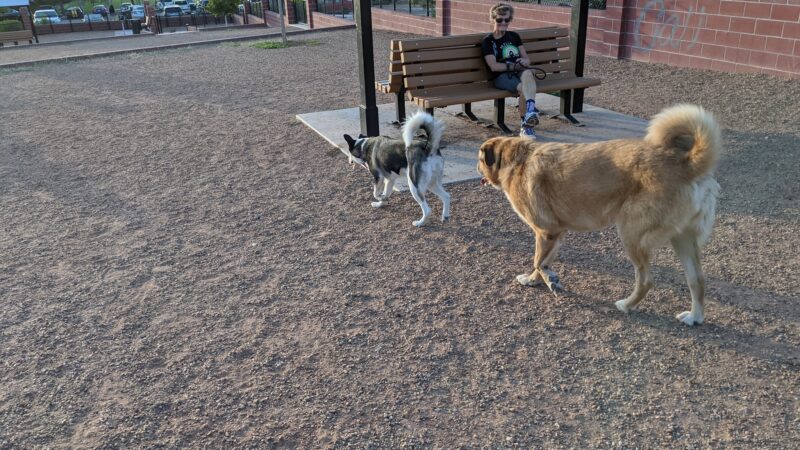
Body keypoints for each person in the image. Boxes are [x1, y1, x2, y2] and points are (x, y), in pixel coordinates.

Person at [481, 3, 540, 139]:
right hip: (500, 76)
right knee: (523, 88)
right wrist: (514, 66)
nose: (503, 23)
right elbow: (494, 66)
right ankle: (527, 125)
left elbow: (526, 59)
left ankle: (528, 116)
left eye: (507, 20)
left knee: (528, 72)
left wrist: (524, 62)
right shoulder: (488, 41)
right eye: (499, 20)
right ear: (493, 19)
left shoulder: (514, 36)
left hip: (519, 71)